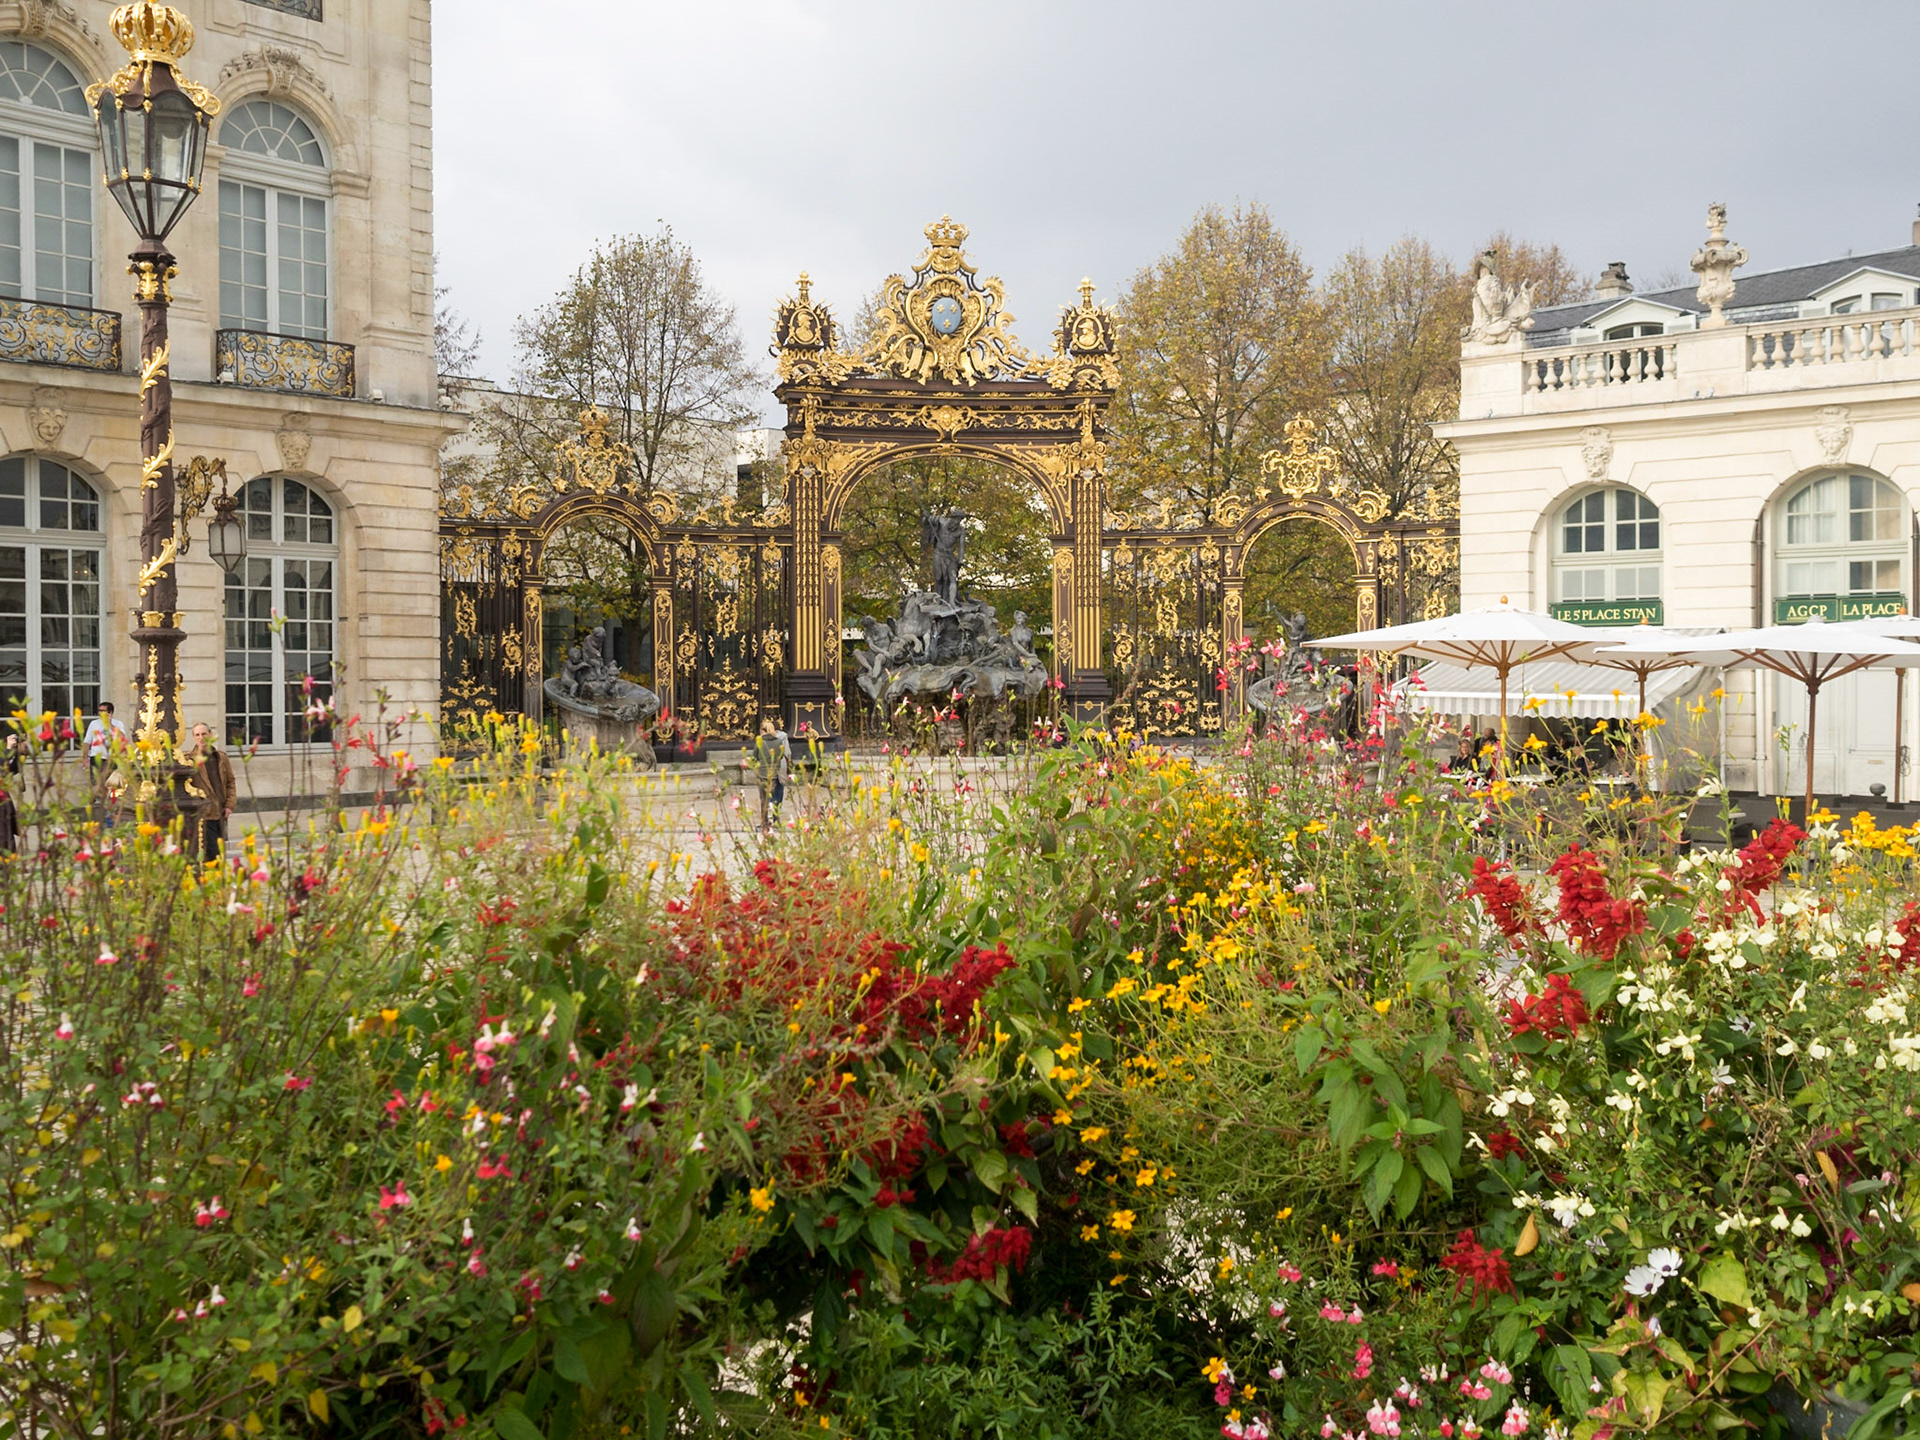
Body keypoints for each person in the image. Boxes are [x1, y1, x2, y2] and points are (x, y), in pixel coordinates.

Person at [190, 722, 236, 861]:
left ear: (210, 735)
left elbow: (230, 781)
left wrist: (230, 805)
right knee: (210, 854)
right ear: (193, 738)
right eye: (197, 735)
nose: (201, 738)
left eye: (204, 734)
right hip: (204, 815)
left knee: (220, 852)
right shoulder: (189, 760)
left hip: (221, 812)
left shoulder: (221, 758)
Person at [750, 718, 791, 830]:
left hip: (763, 773)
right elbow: (782, 754)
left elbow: (754, 756)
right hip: (776, 772)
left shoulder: (760, 741)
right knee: (777, 796)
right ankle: (776, 820)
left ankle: (764, 822)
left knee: (764, 798)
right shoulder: (778, 741)